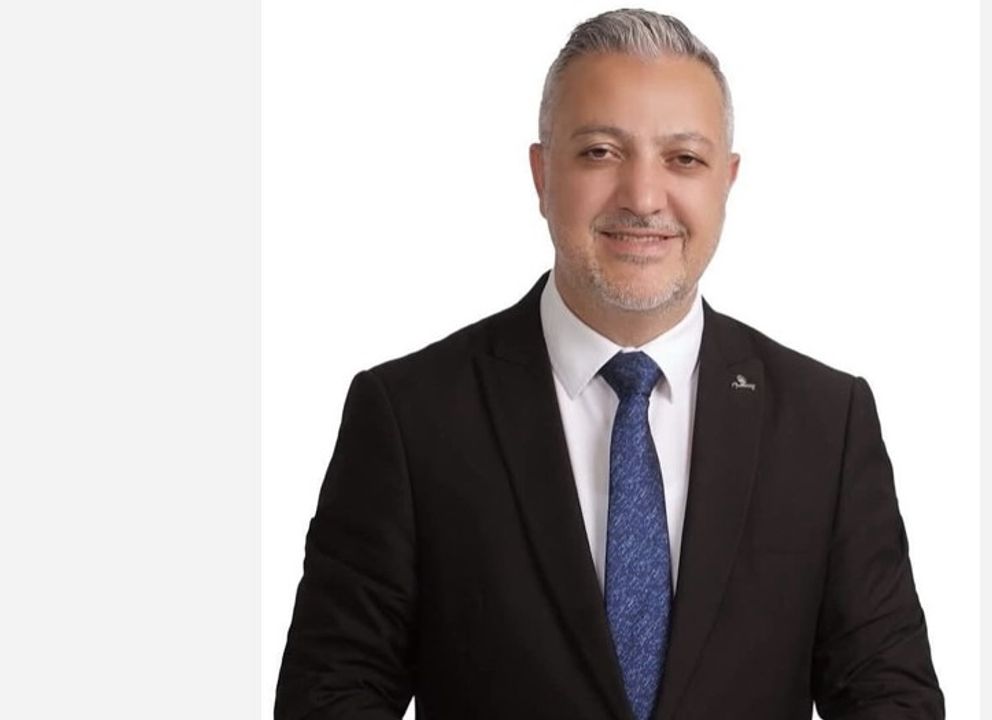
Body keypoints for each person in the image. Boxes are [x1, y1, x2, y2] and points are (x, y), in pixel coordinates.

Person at [275, 8, 944, 720]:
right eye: (600, 152)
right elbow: (331, 696)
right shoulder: (411, 416)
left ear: (726, 182)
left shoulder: (825, 423)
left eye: (684, 159)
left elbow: (890, 697)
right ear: (542, 174)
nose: (643, 198)